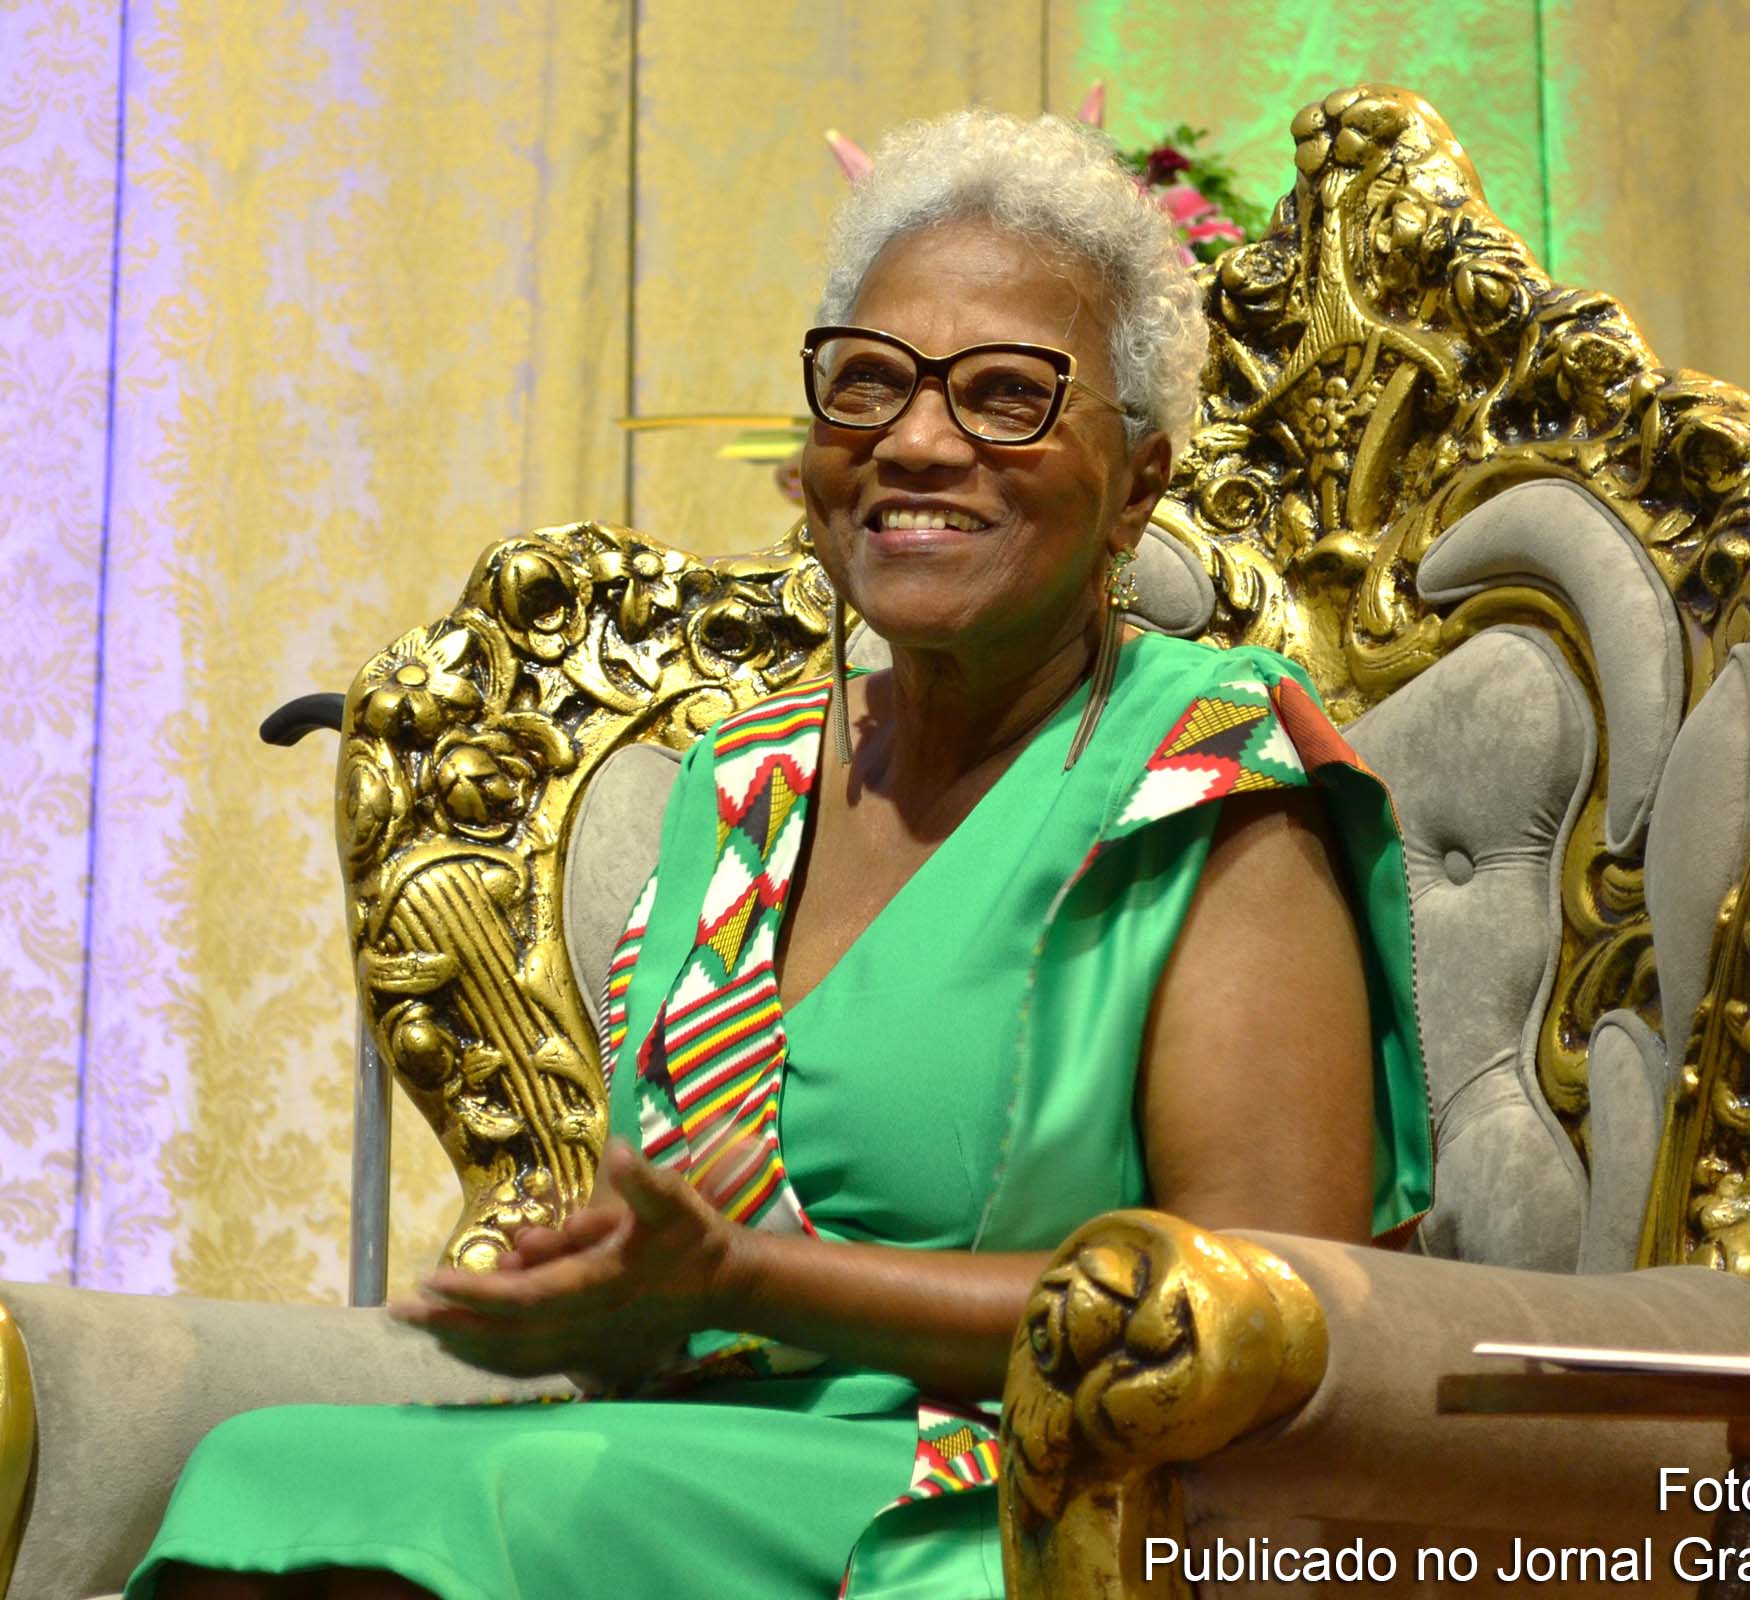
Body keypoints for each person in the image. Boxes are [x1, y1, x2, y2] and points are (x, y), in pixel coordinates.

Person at [132, 108, 1431, 1600]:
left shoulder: (1210, 774)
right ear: (811, 463)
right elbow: (688, 1291)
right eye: (866, 386)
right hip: (701, 1457)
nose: (919, 439)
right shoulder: (736, 782)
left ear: (1138, 480)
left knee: (505, 1518)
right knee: (269, 1470)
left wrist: (755, 1284)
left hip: (1033, 1503)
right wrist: (613, 1314)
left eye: (1008, 396)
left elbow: (1258, 1312)